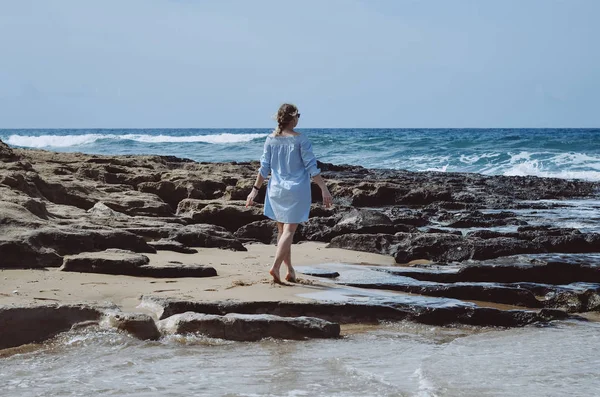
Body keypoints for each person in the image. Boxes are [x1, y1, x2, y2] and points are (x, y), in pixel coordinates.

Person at [246, 103, 333, 284]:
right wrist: (324, 189)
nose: (298, 118)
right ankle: (276, 266)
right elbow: (312, 168)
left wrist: (254, 191)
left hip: (276, 190)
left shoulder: (271, 139)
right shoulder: (301, 140)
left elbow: (264, 169)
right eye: (298, 115)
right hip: (296, 190)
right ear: (292, 118)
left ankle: (290, 270)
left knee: (282, 231)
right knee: (289, 231)